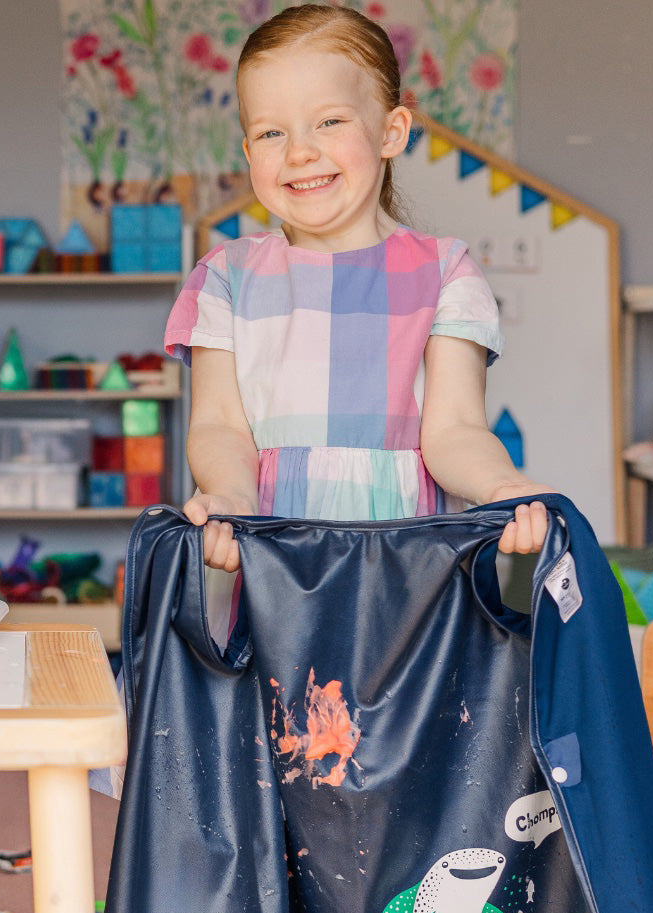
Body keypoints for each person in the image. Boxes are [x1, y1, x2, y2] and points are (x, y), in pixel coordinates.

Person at [166, 4, 553, 581]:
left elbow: (455, 430)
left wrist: (503, 487)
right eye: (271, 132)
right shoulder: (225, 276)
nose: (300, 152)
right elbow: (219, 424)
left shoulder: (445, 273)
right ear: (248, 152)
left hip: (408, 566)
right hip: (268, 560)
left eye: (329, 122)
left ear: (391, 132)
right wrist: (231, 496)